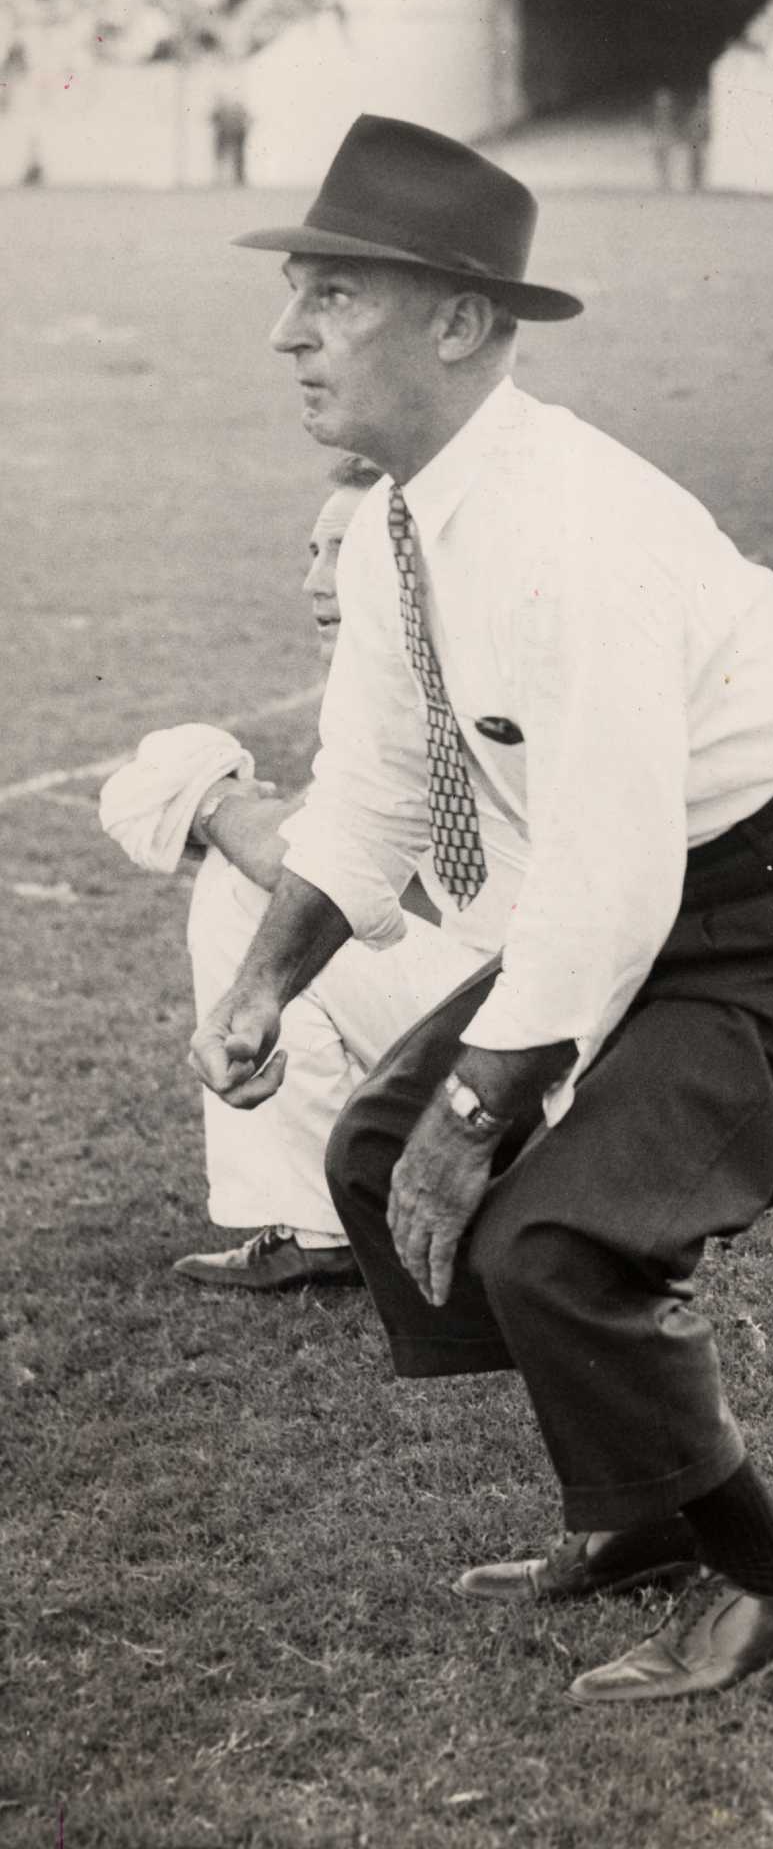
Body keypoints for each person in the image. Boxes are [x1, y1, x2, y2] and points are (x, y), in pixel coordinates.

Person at [190, 115, 773, 1704]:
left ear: (463, 323)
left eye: (334, 295)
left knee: (547, 1232)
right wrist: (266, 985)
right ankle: (636, 1522)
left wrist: (480, 1117)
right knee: (364, 1153)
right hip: (666, 894)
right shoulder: (408, 513)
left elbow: (608, 881)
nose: (288, 334)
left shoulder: (570, 534)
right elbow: (376, 790)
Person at [101, 455, 505, 1289]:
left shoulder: (456, 679)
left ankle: (322, 1225)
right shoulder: (411, 670)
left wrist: (208, 804)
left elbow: (308, 862)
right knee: (266, 885)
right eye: (312, 552)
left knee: (248, 890)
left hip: (539, 1040)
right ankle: (335, 1201)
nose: (315, 580)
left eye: (339, 552)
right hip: (510, 1011)